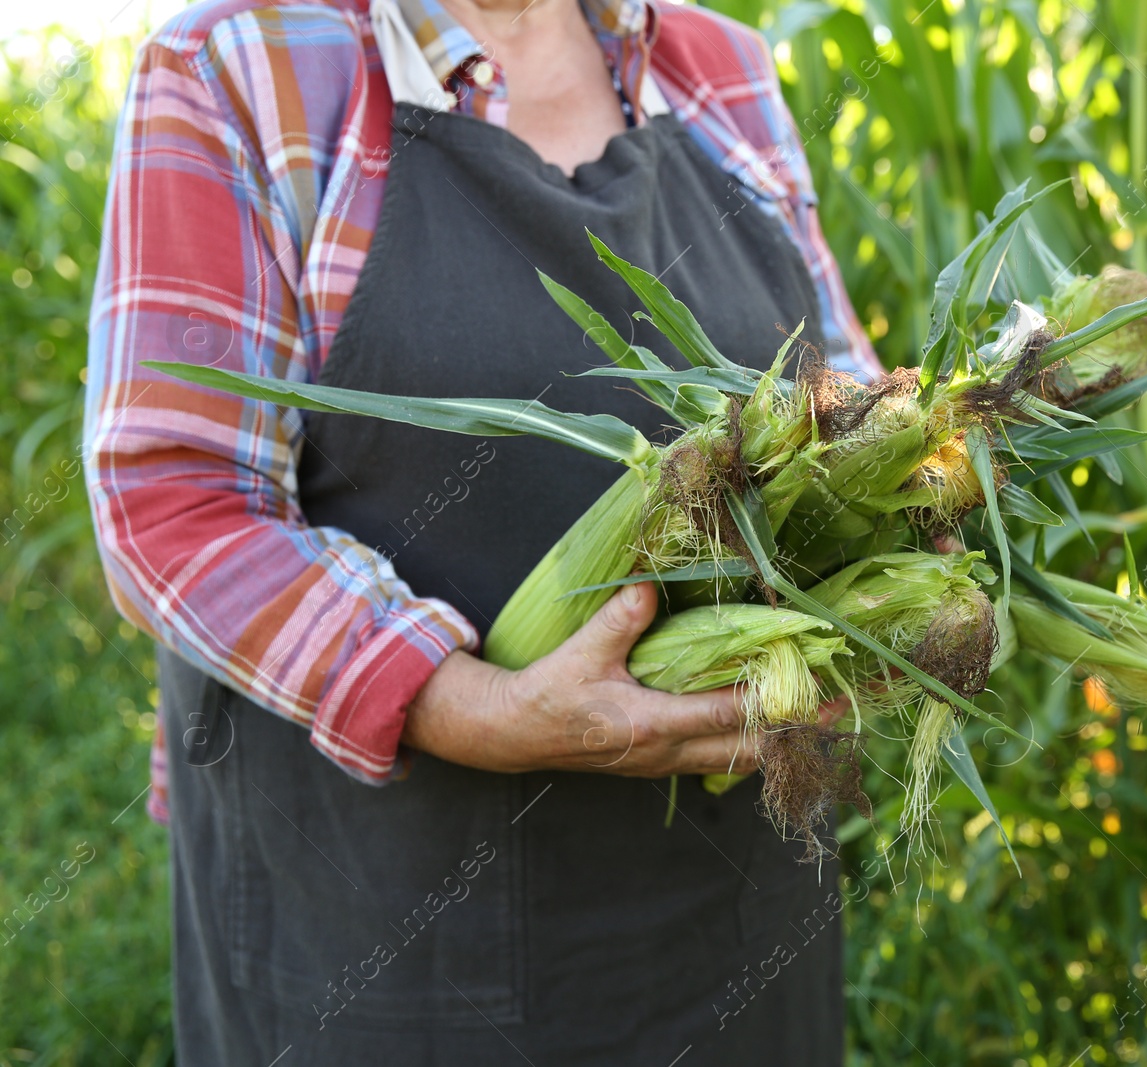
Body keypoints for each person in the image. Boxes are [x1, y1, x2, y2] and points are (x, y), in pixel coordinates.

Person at [85, 0, 881, 1061]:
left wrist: (903, 503)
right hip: (384, 932)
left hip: (731, 910)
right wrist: (472, 705)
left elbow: (833, 390)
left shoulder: (717, 66)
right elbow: (172, 501)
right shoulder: (240, 65)